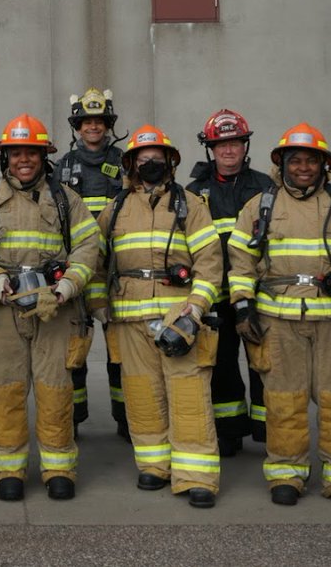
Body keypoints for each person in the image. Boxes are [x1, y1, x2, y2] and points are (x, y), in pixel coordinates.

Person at [227, 123, 331, 508]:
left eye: (311, 161)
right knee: (284, 400)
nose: (303, 167)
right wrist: (243, 305)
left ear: (324, 165)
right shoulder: (260, 206)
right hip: (279, 321)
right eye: (295, 160)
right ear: (282, 164)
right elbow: (241, 262)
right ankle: (286, 473)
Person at [0, 114, 100, 501]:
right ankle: (8, 469)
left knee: (56, 389)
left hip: (56, 309)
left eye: (31, 153)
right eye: (16, 153)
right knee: (5, 390)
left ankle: (59, 468)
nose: (24, 160)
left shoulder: (66, 200)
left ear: (43, 156)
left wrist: (67, 287)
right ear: (5, 157)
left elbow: (89, 246)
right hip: (2, 310)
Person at [97, 125, 224, 507]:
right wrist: (98, 306)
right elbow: (96, 260)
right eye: (143, 158)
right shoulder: (115, 208)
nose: (150, 163)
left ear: (170, 162)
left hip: (179, 319)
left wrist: (196, 307)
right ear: (131, 164)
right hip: (129, 319)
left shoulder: (191, 205)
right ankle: (154, 466)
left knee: (189, 396)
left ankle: (196, 476)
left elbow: (210, 263)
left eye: (157, 157)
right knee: (142, 395)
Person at [184, 109, 274, 457]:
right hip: (216, 294)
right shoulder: (195, 193)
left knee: (263, 362)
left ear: (244, 145)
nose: (228, 150)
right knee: (221, 365)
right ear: (211, 149)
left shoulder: (266, 188)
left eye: (234, 143)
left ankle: (269, 430)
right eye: (221, 144)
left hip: (256, 293)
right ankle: (229, 431)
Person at [56, 88, 126, 436]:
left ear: (107, 125)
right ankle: (73, 418)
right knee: (74, 348)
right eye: (86, 122)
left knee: (121, 352)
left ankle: (127, 418)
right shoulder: (63, 166)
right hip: (78, 269)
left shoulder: (125, 163)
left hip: (117, 270)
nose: (93, 127)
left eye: (99, 121)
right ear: (77, 127)